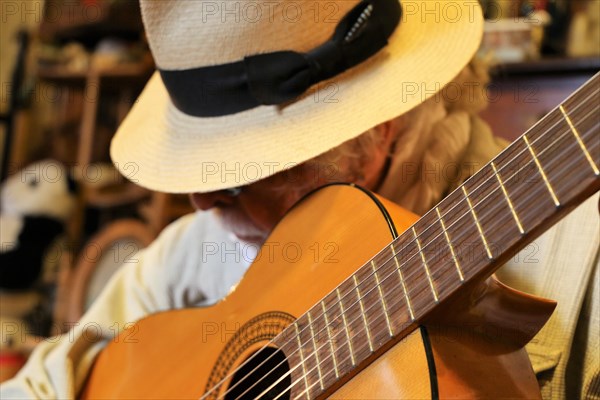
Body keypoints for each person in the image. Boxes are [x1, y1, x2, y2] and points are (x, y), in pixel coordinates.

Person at [1, 0, 598, 398]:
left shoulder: (581, 260)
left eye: (238, 174)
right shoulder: (198, 250)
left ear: (374, 124)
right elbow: (43, 382)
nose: (201, 202)